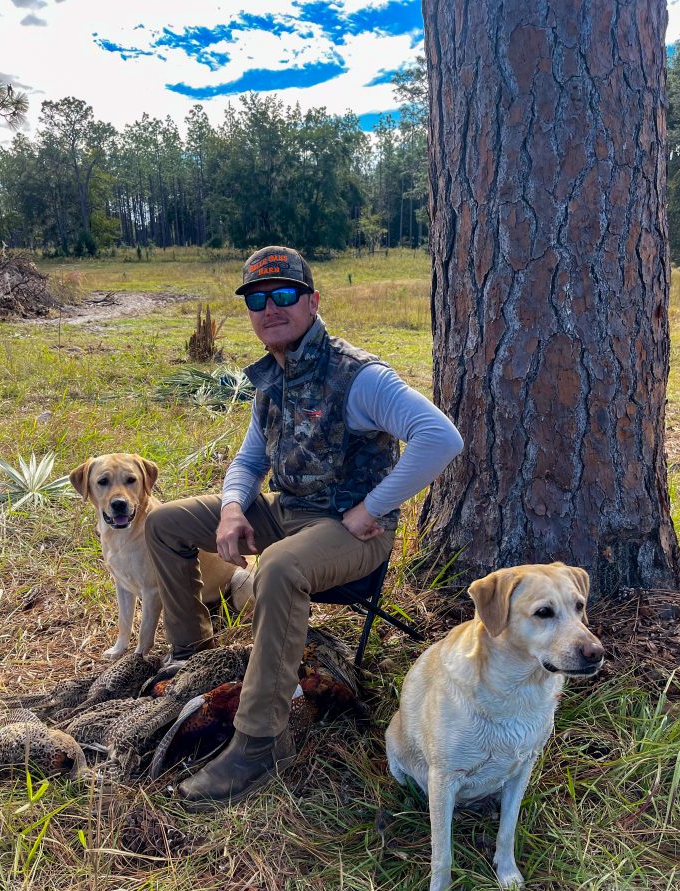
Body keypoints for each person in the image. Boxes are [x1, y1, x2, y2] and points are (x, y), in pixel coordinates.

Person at [145, 245, 463, 810]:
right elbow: (247, 461)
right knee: (166, 523)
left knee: (281, 566)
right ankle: (191, 654)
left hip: (348, 532)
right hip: (288, 511)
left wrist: (372, 508)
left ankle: (261, 742)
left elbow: (440, 437)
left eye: (285, 295)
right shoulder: (275, 373)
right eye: (258, 300)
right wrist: (234, 507)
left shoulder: (358, 376)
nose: (271, 308)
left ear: (313, 301)